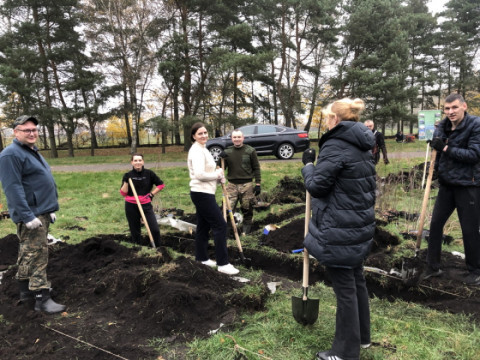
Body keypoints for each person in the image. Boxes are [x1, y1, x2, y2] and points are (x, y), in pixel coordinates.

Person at [302, 98, 376, 360]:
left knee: (345, 289)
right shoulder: (363, 143)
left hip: (340, 228)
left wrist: (308, 166)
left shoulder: (336, 145)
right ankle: (362, 338)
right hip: (357, 224)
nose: (326, 121)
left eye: (326, 117)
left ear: (335, 119)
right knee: (356, 281)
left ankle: (345, 352)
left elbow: (317, 186)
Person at [0, 115, 66, 314]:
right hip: (32, 214)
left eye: (34, 130)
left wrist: (49, 209)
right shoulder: (11, 154)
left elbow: (36, 182)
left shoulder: (30, 151)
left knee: (28, 251)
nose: (31, 133)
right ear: (16, 132)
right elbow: (13, 188)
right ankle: (42, 298)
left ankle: (25, 292)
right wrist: (27, 215)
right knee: (38, 254)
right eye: (26, 130)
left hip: (41, 211)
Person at [423, 93, 480, 285]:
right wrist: (436, 171)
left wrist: (446, 148)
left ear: (464, 106)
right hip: (447, 185)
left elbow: (474, 154)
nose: (450, 112)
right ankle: (432, 266)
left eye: (454, 107)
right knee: (436, 224)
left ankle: (476, 270)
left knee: (469, 229)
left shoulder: (475, 125)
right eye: (447, 109)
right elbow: (438, 154)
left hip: (468, 185)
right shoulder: (442, 126)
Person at [188, 122, 240, 275]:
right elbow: (199, 175)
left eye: (205, 133)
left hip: (205, 192)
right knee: (220, 225)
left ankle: (201, 258)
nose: (203, 135)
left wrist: (218, 179)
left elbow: (207, 173)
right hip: (201, 193)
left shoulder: (203, 149)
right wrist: (216, 175)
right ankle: (223, 264)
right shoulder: (196, 151)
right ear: (193, 136)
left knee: (203, 226)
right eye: (200, 134)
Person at [218, 129, 261, 235]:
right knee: (227, 208)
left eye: (239, 137)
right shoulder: (228, 152)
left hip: (247, 185)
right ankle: (228, 231)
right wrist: (220, 158)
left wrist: (258, 183)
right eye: (234, 137)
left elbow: (256, 167)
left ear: (243, 138)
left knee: (247, 208)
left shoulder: (250, 151)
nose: (237, 139)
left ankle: (246, 231)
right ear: (232, 139)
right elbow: (220, 168)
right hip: (231, 185)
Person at [120, 154, 164, 247]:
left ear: (143, 162)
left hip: (145, 204)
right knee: (135, 230)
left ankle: (158, 248)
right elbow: (123, 193)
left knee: (155, 229)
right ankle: (138, 248)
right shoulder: (128, 175)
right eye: (135, 161)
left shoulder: (149, 173)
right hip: (131, 205)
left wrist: (151, 194)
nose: (138, 162)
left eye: (140, 160)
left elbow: (161, 185)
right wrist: (125, 181)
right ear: (132, 162)